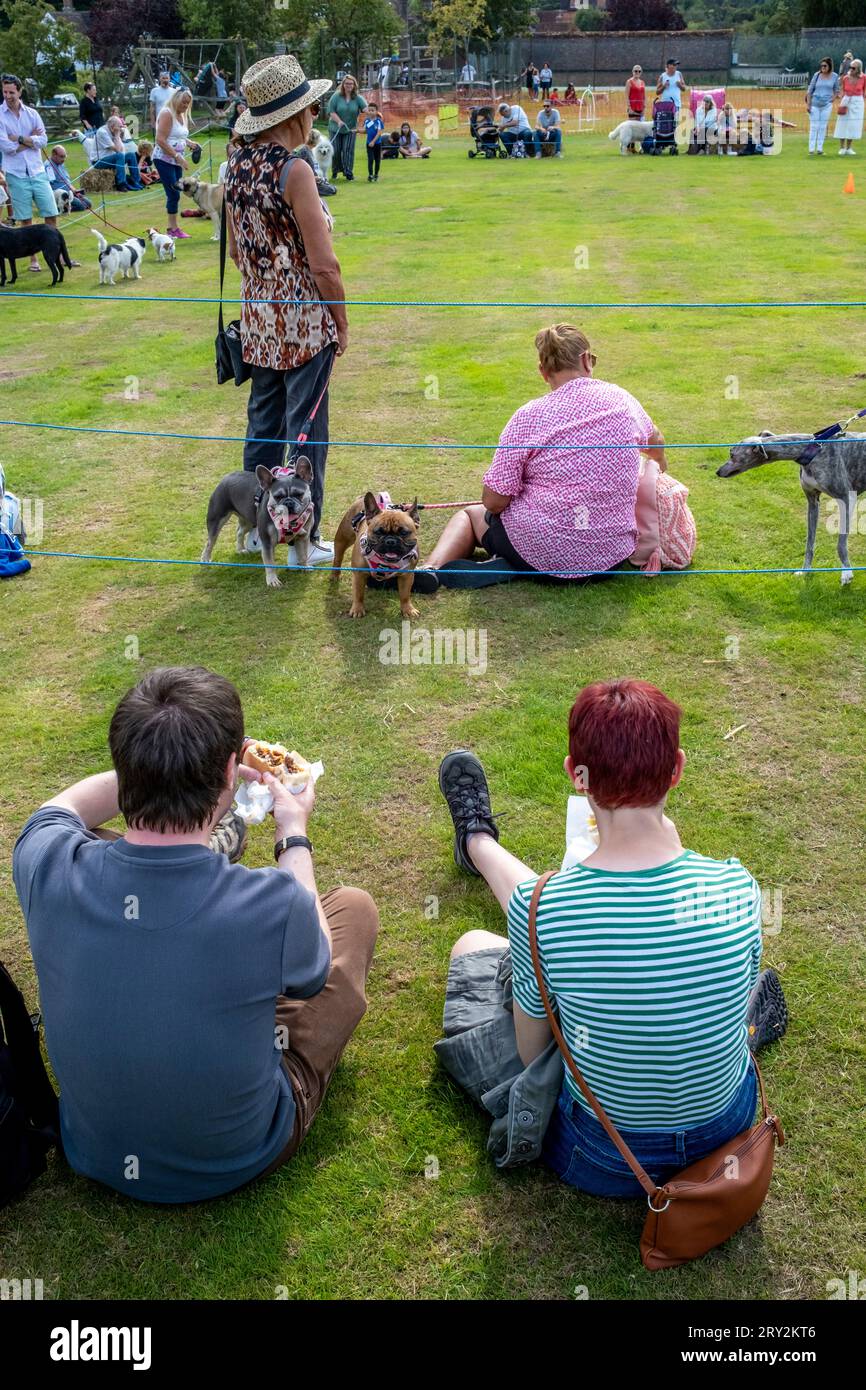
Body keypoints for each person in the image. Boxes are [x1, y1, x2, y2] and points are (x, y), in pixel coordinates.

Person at [12, 666, 379, 1205]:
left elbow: (66, 809)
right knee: (353, 910)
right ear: (231, 771)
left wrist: (156, 764)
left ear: (123, 763)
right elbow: (316, 970)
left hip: (91, 1149)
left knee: (105, 837)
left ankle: (197, 851)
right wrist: (292, 835)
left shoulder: (44, 861)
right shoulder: (274, 905)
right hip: (239, 1154)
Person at [434, 680, 786, 1196]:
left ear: (576, 775)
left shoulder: (544, 905)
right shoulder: (735, 884)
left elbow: (534, 1056)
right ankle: (479, 844)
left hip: (603, 1157)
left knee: (472, 944)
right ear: (678, 768)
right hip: (726, 1132)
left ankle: (478, 840)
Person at [424, 324, 666, 589]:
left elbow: (493, 502)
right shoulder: (623, 401)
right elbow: (655, 443)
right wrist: (659, 466)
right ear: (586, 360)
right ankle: (515, 564)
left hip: (540, 547)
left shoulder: (528, 417)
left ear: (543, 371)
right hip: (609, 557)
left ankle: (430, 570)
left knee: (471, 515)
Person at [225, 54, 348, 566]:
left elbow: (235, 251)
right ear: (290, 117)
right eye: (309, 109)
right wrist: (341, 321)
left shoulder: (235, 166)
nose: (314, 116)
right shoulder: (294, 170)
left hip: (258, 316)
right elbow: (324, 266)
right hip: (302, 319)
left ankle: (259, 532)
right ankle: (305, 539)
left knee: (263, 422)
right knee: (305, 427)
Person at [0, 75, 60, 273]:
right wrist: (30, 141)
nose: (8, 95)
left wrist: (18, 138)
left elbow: (43, 140)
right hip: (16, 173)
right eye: (5, 92)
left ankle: (57, 252)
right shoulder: (0, 115)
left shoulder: (32, 113)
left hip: (37, 170)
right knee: (25, 219)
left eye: (11, 92)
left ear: (19, 91)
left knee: (50, 212)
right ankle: (33, 258)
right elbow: (6, 147)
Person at [154, 88, 200, 238]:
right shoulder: (167, 113)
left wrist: (190, 143)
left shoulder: (182, 115)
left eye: (188, 103)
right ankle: (172, 229)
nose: (185, 105)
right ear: (175, 99)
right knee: (173, 193)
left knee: (177, 192)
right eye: (183, 102)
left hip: (175, 160)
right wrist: (177, 156)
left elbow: (178, 135)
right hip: (164, 159)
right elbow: (160, 139)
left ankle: (173, 228)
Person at [327, 73, 367, 181]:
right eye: (347, 83)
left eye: (351, 84)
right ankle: (335, 171)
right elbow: (331, 112)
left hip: (350, 129)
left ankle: (348, 173)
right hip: (336, 128)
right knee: (335, 150)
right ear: (343, 84)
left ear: (354, 85)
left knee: (348, 150)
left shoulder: (358, 98)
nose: (349, 85)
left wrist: (373, 115)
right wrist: (339, 121)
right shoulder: (336, 96)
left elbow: (366, 109)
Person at [93, 115, 144, 192]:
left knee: (131, 155)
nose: (121, 129)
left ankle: (137, 181)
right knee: (119, 156)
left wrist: (118, 135)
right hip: (99, 161)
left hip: (111, 158)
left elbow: (121, 149)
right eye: (119, 126)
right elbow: (118, 150)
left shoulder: (114, 130)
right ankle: (121, 184)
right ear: (112, 126)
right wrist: (117, 135)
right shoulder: (102, 132)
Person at [806, 57, 840, 156]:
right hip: (815, 104)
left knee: (822, 127)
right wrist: (808, 104)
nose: (823, 67)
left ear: (829, 66)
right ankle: (811, 149)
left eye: (825, 65)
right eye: (821, 65)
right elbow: (809, 91)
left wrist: (832, 99)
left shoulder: (834, 76)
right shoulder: (817, 75)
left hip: (826, 105)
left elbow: (837, 90)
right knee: (814, 126)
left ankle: (820, 149)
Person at [45, 143, 92, 210]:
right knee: (81, 206)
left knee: (88, 203)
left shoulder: (61, 164)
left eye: (65, 156)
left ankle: (65, 206)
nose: (64, 159)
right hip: (61, 195)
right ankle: (58, 207)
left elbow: (66, 180)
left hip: (70, 192)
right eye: (61, 156)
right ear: (54, 155)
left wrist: (75, 191)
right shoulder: (48, 167)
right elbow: (51, 186)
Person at [835, 57, 865, 155]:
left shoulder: (863, 77)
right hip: (846, 99)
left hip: (857, 101)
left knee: (853, 125)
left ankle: (849, 148)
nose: (851, 69)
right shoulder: (845, 78)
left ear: (859, 69)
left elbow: (864, 91)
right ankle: (842, 147)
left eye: (854, 68)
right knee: (842, 123)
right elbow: (843, 90)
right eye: (851, 67)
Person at [364, 101, 385, 181]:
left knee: (377, 160)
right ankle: (370, 175)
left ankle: (376, 174)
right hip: (369, 144)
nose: (370, 112)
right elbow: (366, 130)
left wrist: (373, 141)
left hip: (377, 144)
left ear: (376, 111)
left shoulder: (379, 121)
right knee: (370, 159)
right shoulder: (367, 121)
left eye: (372, 110)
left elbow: (379, 133)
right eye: (369, 110)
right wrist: (357, 131)